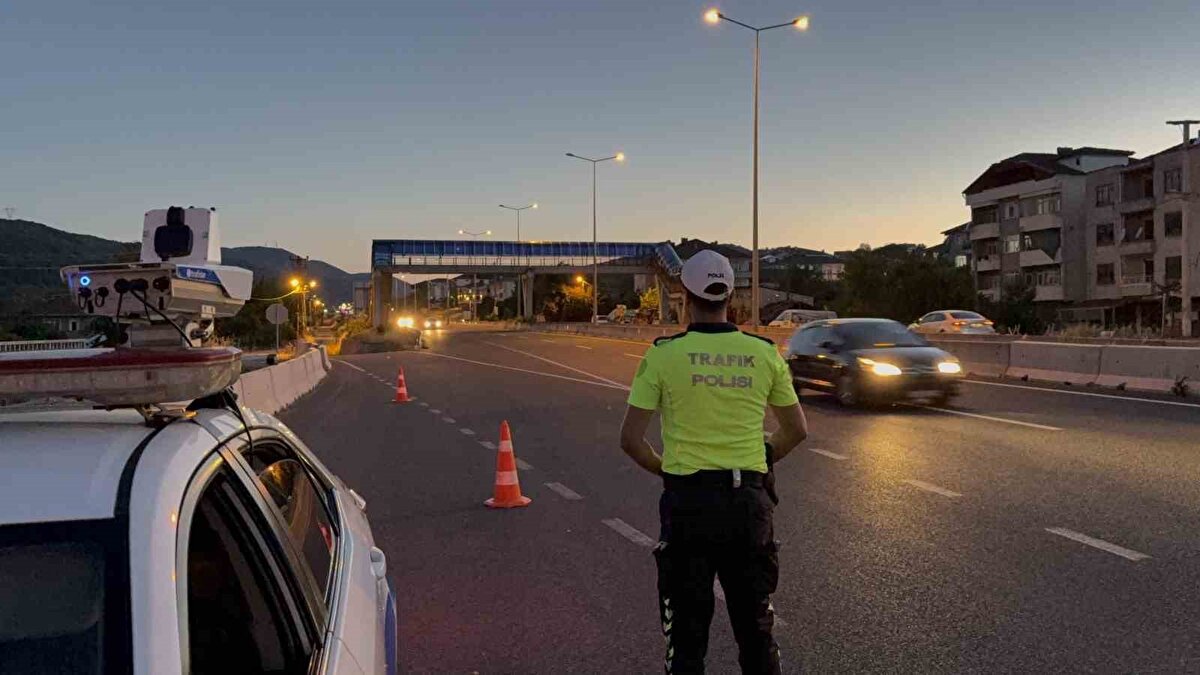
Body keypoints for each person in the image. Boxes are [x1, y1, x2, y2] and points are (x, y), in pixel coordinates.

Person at [620, 249, 808, 675]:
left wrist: (666, 468)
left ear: (685, 296)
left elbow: (631, 440)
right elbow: (797, 430)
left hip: (689, 507)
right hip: (748, 507)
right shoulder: (764, 354)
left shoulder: (663, 356)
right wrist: (762, 459)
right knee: (756, 630)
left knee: (687, 639)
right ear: (731, 297)